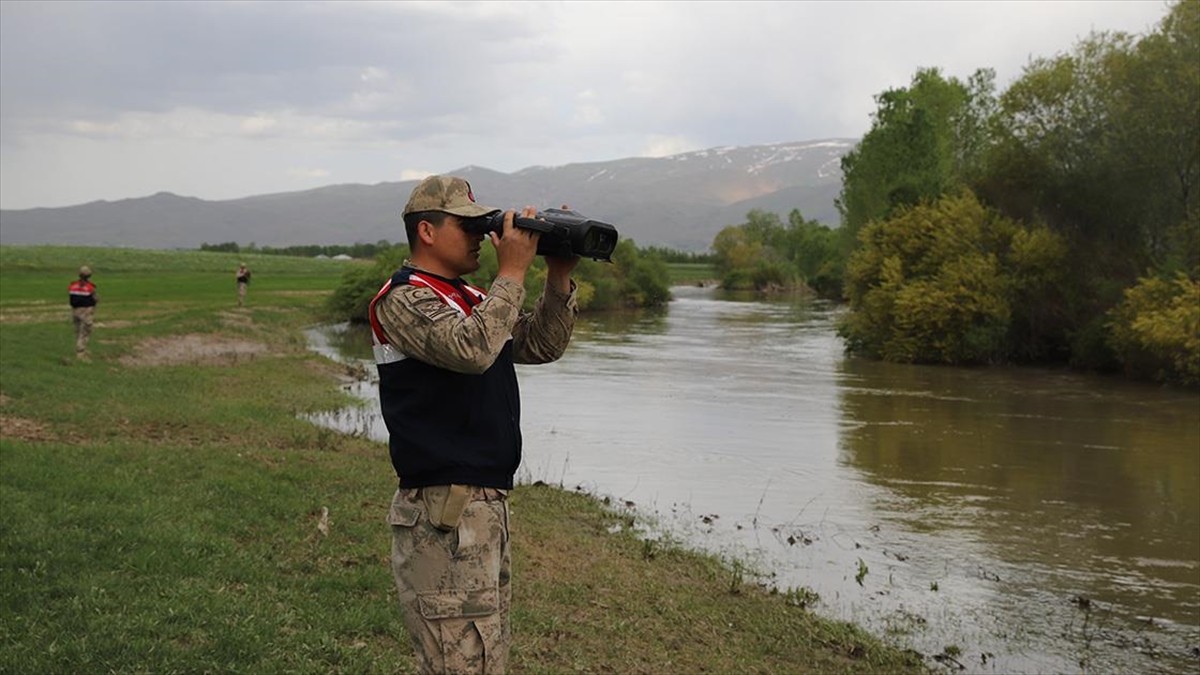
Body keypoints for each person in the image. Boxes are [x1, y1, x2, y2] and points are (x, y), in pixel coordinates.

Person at [368, 175, 579, 674]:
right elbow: (473, 349)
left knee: (483, 659)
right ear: (426, 231)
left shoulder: (470, 297)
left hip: (484, 507)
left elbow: (540, 345)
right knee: (458, 662)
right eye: (468, 225)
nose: (482, 236)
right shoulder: (402, 298)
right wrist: (512, 272)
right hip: (444, 510)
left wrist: (558, 276)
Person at [68, 265, 98, 360]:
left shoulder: (72, 285)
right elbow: (96, 299)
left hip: (75, 311)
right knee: (85, 331)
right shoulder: (90, 287)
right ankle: (81, 353)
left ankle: (80, 349)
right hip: (86, 311)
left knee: (78, 331)